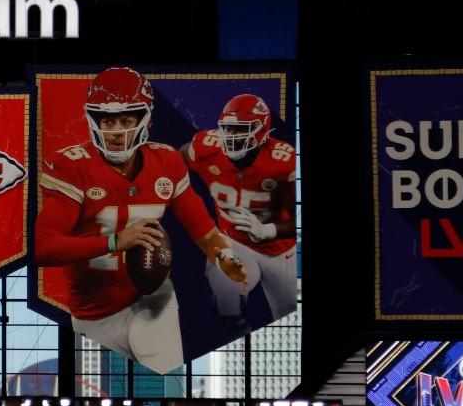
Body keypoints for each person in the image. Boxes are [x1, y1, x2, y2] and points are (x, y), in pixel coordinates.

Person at [34, 67, 252, 374]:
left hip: (151, 298)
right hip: (91, 311)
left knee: (162, 372)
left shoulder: (167, 161)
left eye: (126, 119)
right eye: (108, 120)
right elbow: (44, 248)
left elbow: (204, 231)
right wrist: (114, 241)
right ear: (93, 120)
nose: (117, 130)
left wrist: (225, 256)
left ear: (144, 119)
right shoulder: (71, 166)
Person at [183, 92, 299, 327]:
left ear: (261, 130)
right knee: (227, 306)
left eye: (240, 129)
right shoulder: (206, 147)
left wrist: (267, 230)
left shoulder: (281, 161)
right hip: (234, 242)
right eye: (229, 128)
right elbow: (171, 163)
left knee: (287, 314)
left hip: (278, 250)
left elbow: (295, 219)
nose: (232, 136)